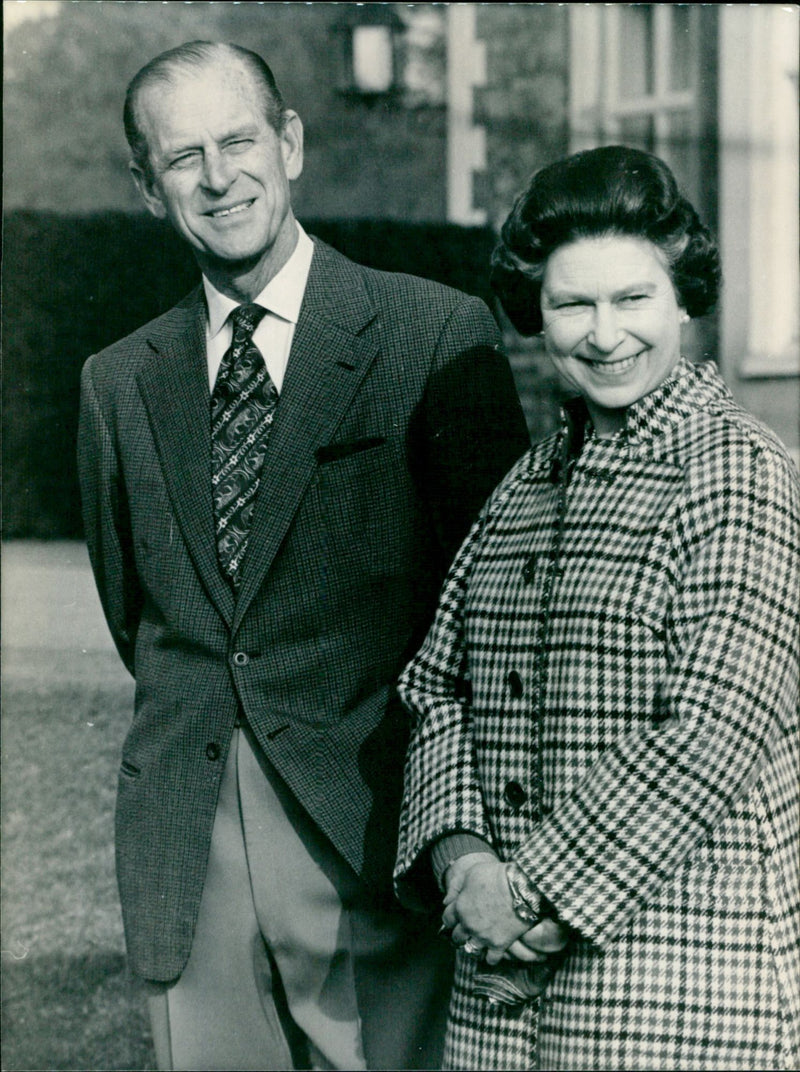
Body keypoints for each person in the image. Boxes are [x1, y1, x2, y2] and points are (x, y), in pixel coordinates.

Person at [77, 40, 530, 1072]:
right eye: (182, 156)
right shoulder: (117, 382)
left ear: (289, 144)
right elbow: (130, 608)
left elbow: (493, 619)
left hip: (371, 820)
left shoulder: (432, 335)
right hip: (187, 841)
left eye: (237, 140)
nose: (218, 176)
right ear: (149, 190)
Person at [393, 145, 800, 1071]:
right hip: (504, 996)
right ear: (537, 313)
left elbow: (710, 733)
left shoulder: (737, 471)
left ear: (684, 299)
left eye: (634, 299)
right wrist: (463, 861)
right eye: (574, 303)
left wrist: (524, 893)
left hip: (683, 984)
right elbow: (437, 686)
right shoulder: (527, 486)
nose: (604, 334)